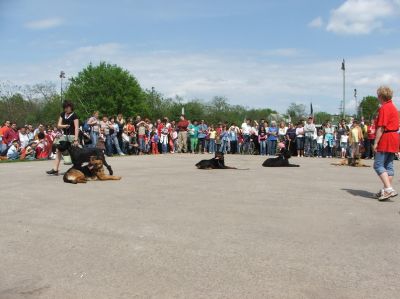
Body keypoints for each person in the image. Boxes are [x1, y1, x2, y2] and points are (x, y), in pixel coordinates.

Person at [373, 86, 399, 201]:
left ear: (381, 96)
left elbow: (381, 127)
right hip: (394, 137)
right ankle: (385, 190)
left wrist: (376, 142)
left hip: (387, 137)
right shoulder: (393, 107)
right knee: (388, 165)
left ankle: (388, 188)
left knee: (378, 164)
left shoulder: (384, 108)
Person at [46, 100, 79, 175]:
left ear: (71, 107)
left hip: (73, 136)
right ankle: (55, 169)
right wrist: (65, 126)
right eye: (65, 107)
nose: (66, 109)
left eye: (67, 107)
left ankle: (77, 168)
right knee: (58, 150)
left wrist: (76, 139)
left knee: (76, 153)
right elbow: (58, 125)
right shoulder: (62, 114)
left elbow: (76, 127)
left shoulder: (74, 115)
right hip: (64, 136)